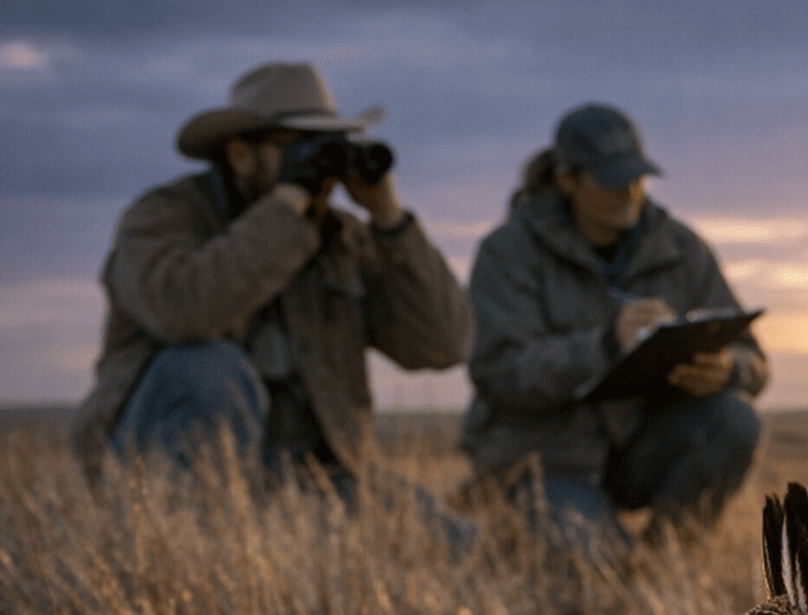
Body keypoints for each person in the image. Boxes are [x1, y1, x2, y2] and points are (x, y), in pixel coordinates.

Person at [71, 61, 472, 496]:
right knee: (209, 369)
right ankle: (197, 539)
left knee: (450, 541)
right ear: (240, 154)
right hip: (160, 477)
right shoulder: (164, 217)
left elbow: (443, 345)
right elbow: (187, 312)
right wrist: (285, 208)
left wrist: (390, 220)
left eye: (330, 147)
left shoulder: (340, 238)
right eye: (300, 148)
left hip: (309, 480)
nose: (322, 169)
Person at [461, 103, 768, 550]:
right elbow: (500, 371)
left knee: (736, 418)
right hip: (545, 458)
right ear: (567, 180)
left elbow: (754, 358)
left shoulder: (681, 247)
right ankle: (596, 546)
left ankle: (670, 561)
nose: (629, 190)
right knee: (603, 576)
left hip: (639, 447)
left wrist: (729, 368)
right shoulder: (506, 253)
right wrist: (605, 345)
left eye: (638, 176)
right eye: (611, 179)